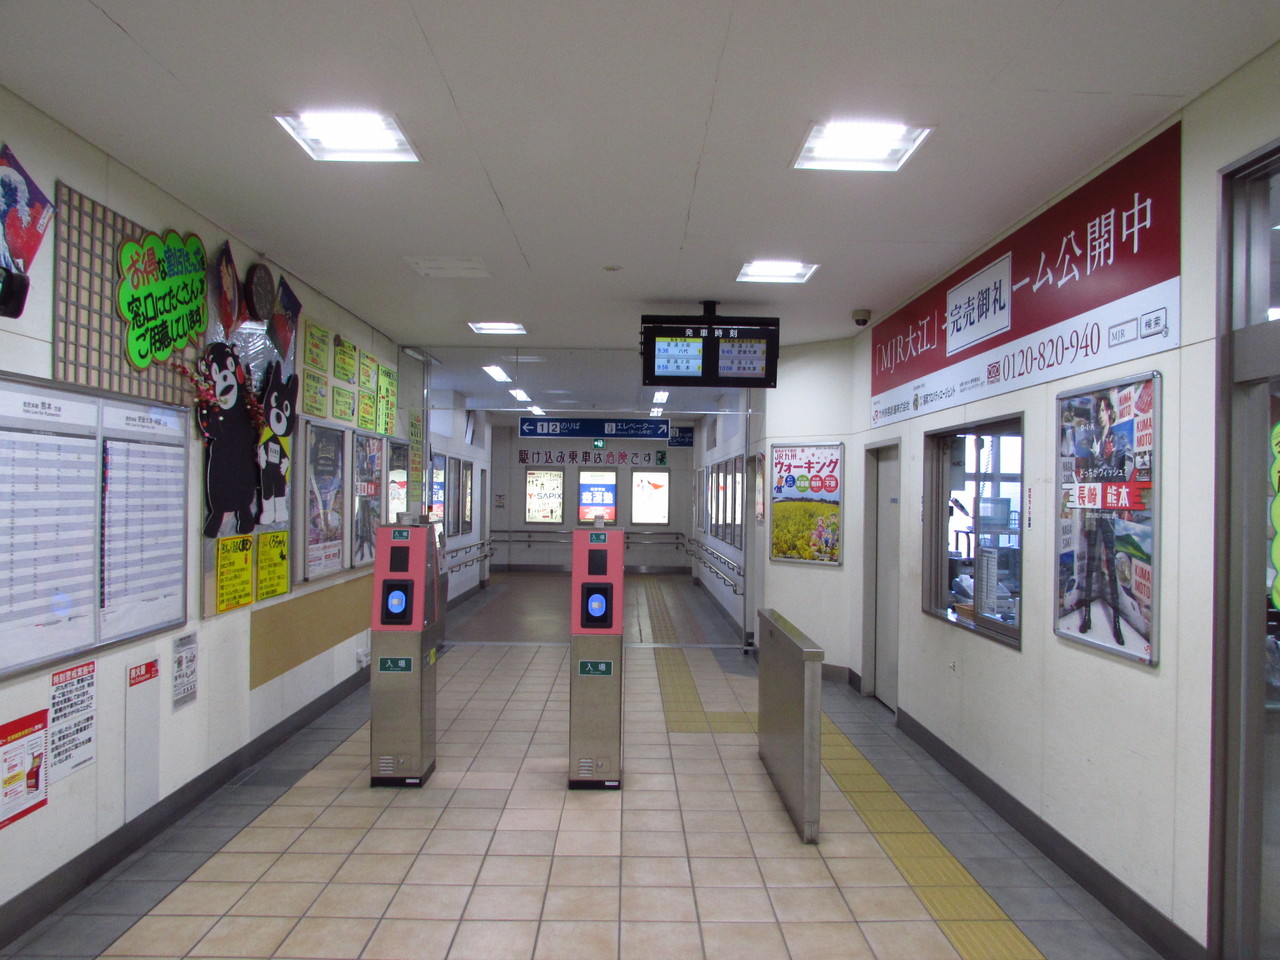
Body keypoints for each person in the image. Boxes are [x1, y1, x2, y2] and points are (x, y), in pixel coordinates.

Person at [1077, 394, 1130, 644]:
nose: (1099, 414)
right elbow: (1089, 472)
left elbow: (1118, 474)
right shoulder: (1093, 440)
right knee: (1090, 562)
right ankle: (1086, 614)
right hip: (1094, 506)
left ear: (1110, 411)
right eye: (1097, 410)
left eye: (1102, 409)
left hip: (1109, 509)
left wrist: (1101, 471)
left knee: (1111, 563)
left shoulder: (1119, 439)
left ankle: (1117, 623)